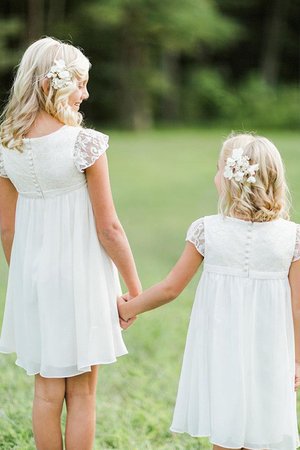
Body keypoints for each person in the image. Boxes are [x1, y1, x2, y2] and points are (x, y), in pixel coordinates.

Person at [118, 133, 300, 450]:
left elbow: (171, 288)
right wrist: (297, 359)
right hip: (272, 352)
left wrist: (126, 309)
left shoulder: (207, 230)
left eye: (218, 168)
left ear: (230, 179)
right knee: (264, 433)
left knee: (226, 434)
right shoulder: (292, 237)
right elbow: (298, 305)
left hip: (222, 350)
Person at [0, 37, 139, 450]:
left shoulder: (9, 146)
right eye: (80, 83)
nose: (86, 93)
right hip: (82, 281)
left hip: (36, 280)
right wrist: (133, 288)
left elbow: (7, 231)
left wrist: (26, 279)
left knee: (45, 392)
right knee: (82, 393)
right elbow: (109, 227)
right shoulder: (85, 144)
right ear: (54, 85)